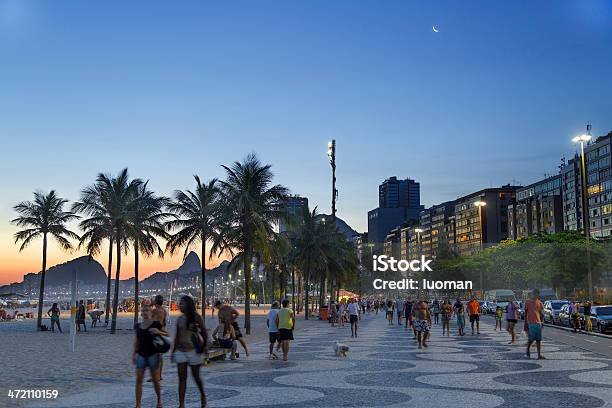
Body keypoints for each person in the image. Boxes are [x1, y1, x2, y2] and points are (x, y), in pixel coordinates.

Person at [171, 296, 207, 408]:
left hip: (194, 351)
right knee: (182, 379)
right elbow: (177, 336)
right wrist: (173, 351)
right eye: (179, 303)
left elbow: (205, 333)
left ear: (188, 304)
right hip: (181, 351)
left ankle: (202, 395)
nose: (179, 305)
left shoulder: (197, 317)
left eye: (182, 303)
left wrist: (204, 349)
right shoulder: (180, 319)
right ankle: (181, 404)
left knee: (196, 376)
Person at [133, 303, 167, 408]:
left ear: (150, 312)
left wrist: (159, 332)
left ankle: (159, 400)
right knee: (139, 380)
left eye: (146, 310)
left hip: (153, 355)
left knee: (155, 381)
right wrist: (134, 353)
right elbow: (136, 341)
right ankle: (138, 404)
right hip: (141, 355)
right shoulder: (138, 326)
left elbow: (167, 335)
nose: (144, 312)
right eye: (142, 311)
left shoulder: (156, 324)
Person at [524, 289, 545, 360]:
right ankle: (527, 350)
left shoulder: (539, 303)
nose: (536, 295)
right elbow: (525, 313)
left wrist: (542, 322)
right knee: (531, 339)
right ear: (533, 294)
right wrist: (525, 323)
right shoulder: (527, 302)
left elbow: (541, 314)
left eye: (537, 294)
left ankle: (539, 355)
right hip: (531, 322)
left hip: (538, 323)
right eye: (535, 294)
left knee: (538, 339)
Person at [151, 295, 167, 381]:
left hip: (156, 333)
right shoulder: (164, 310)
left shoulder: (155, 310)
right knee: (159, 356)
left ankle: (156, 376)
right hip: (162, 332)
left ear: (156, 301)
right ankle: (159, 375)